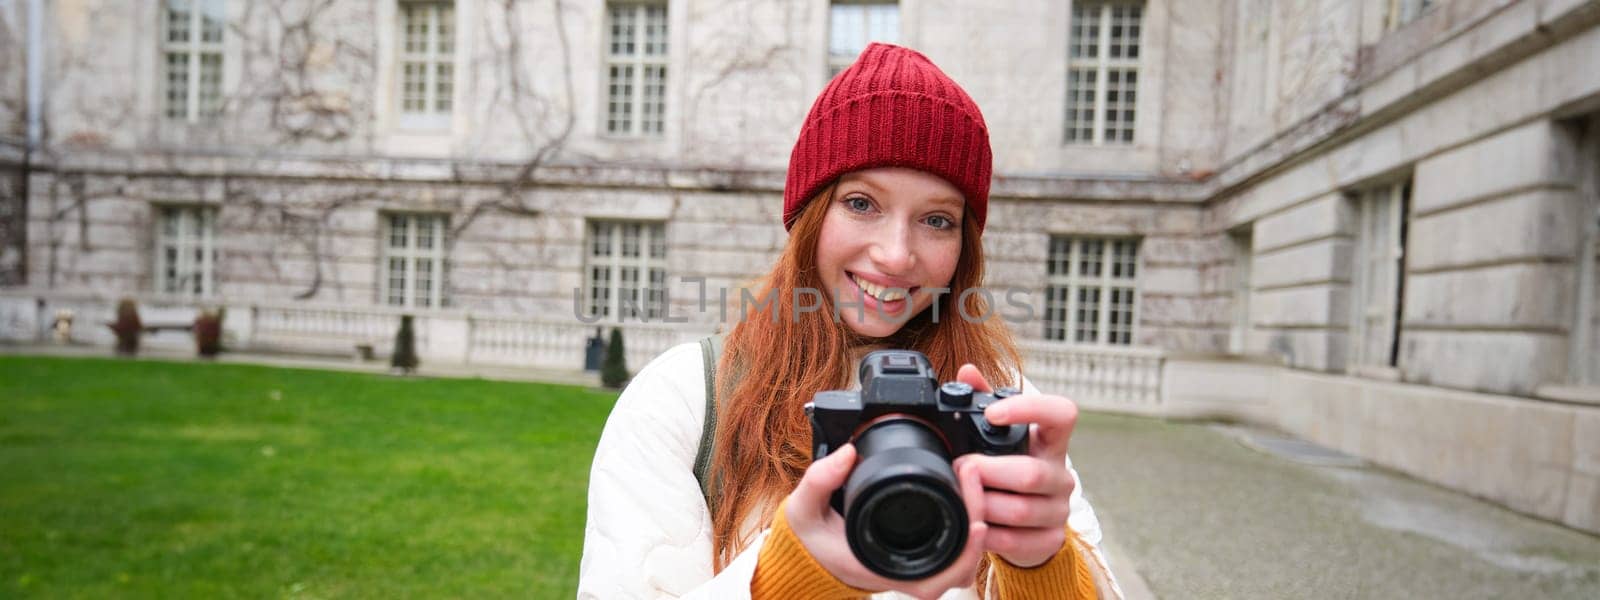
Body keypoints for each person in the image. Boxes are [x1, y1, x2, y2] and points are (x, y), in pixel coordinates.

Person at [579, 43, 1121, 599]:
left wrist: (1042, 567)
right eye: (862, 203)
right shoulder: (686, 398)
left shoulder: (1000, 405)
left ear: (965, 248)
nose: (895, 254)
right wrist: (790, 577)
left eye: (937, 219)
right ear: (809, 216)